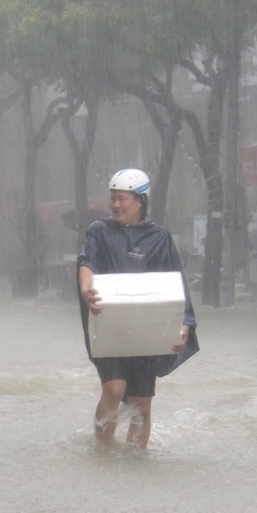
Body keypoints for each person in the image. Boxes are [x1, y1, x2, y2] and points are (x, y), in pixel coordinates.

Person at [77, 167, 198, 450]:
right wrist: (85, 289)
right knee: (115, 388)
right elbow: (87, 263)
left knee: (141, 402)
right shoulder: (99, 231)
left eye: (123, 199)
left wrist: (185, 323)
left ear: (140, 200)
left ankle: (135, 462)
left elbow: (175, 281)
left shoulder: (160, 238)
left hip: (146, 327)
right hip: (108, 323)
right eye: (113, 198)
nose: (116, 205)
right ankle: (103, 451)